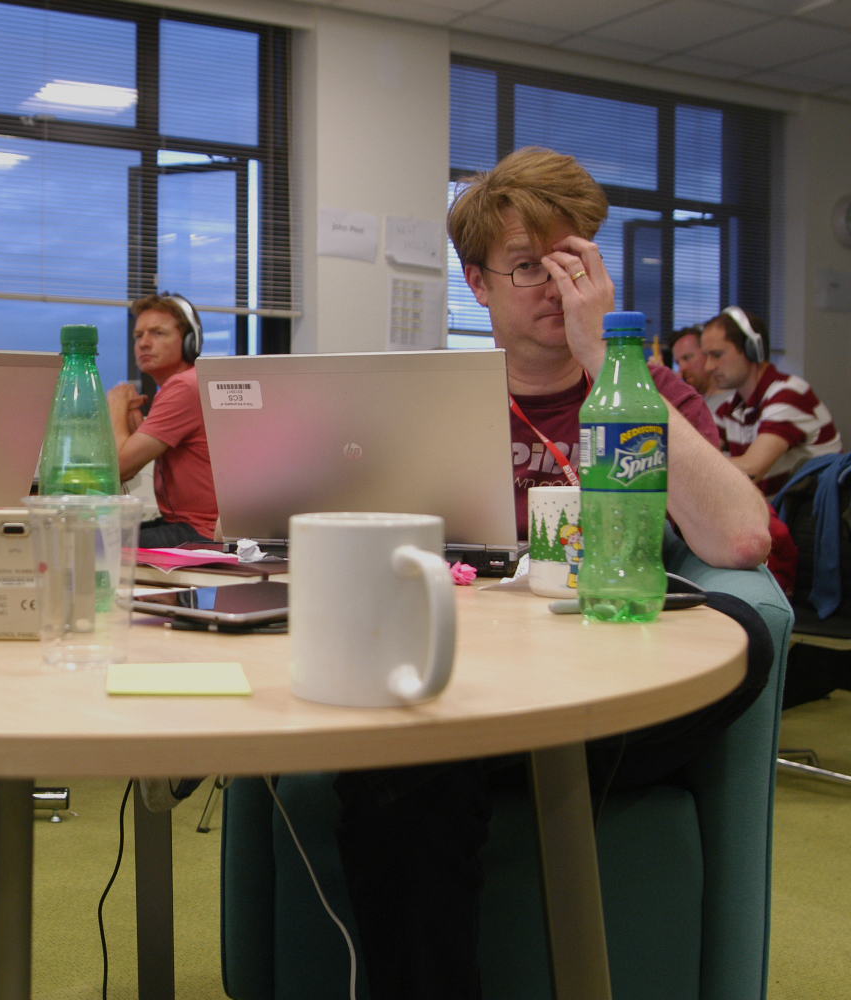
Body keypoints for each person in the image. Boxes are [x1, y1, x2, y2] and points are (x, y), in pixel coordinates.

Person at [333, 146, 772, 1000]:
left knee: (744, 643)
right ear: (477, 284)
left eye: (572, 264)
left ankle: (487, 751)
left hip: (601, 671)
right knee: (411, 758)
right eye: (527, 267)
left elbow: (743, 539)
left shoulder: (644, 389)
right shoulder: (420, 395)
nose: (553, 287)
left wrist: (609, 360)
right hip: (465, 668)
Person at [106, 293, 218, 547]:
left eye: (158, 333)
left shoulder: (183, 387)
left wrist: (115, 403)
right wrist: (132, 421)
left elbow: (120, 467)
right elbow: (131, 465)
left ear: (190, 342)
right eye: (138, 335)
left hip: (200, 531)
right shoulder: (188, 383)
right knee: (102, 534)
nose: (144, 343)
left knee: (96, 542)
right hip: (187, 523)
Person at [702, 306, 842, 497]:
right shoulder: (731, 407)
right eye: (706, 356)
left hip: (808, 521)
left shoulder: (789, 394)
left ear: (752, 350)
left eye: (717, 355)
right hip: (773, 519)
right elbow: (699, 450)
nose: (708, 367)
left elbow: (751, 470)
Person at [665, 323, 732, 416]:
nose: (682, 368)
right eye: (678, 363)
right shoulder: (695, 405)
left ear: (707, 354)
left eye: (687, 358)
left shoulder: (731, 403)